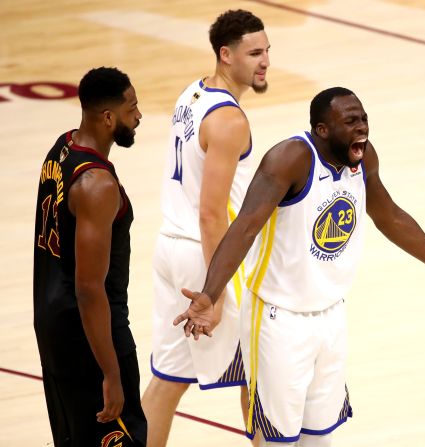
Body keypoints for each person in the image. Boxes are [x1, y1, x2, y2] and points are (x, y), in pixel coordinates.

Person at [173, 87, 425, 447]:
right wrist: (211, 292)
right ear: (322, 130)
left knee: (321, 438)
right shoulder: (290, 159)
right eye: (350, 121)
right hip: (277, 319)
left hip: (331, 316)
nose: (361, 127)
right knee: (278, 441)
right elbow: (245, 226)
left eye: (363, 118)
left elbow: (390, 217)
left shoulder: (362, 158)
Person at [140, 9, 270, 447]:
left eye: (267, 50)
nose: (265, 60)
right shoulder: (230, 121)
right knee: (259, 375)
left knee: (165, 382)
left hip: (169, 249)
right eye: (254, 53)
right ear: (226, 54)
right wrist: (213, 291)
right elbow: (212, 214)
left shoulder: (192, 94)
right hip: (205, 259)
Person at [33, 67, 146, 446]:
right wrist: (111, 374)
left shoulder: (61, 147)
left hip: (54, 324)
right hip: (91, 336)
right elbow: (88, 288)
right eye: (132, 109)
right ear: (108, 117)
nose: (139, 115)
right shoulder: (97, 185)